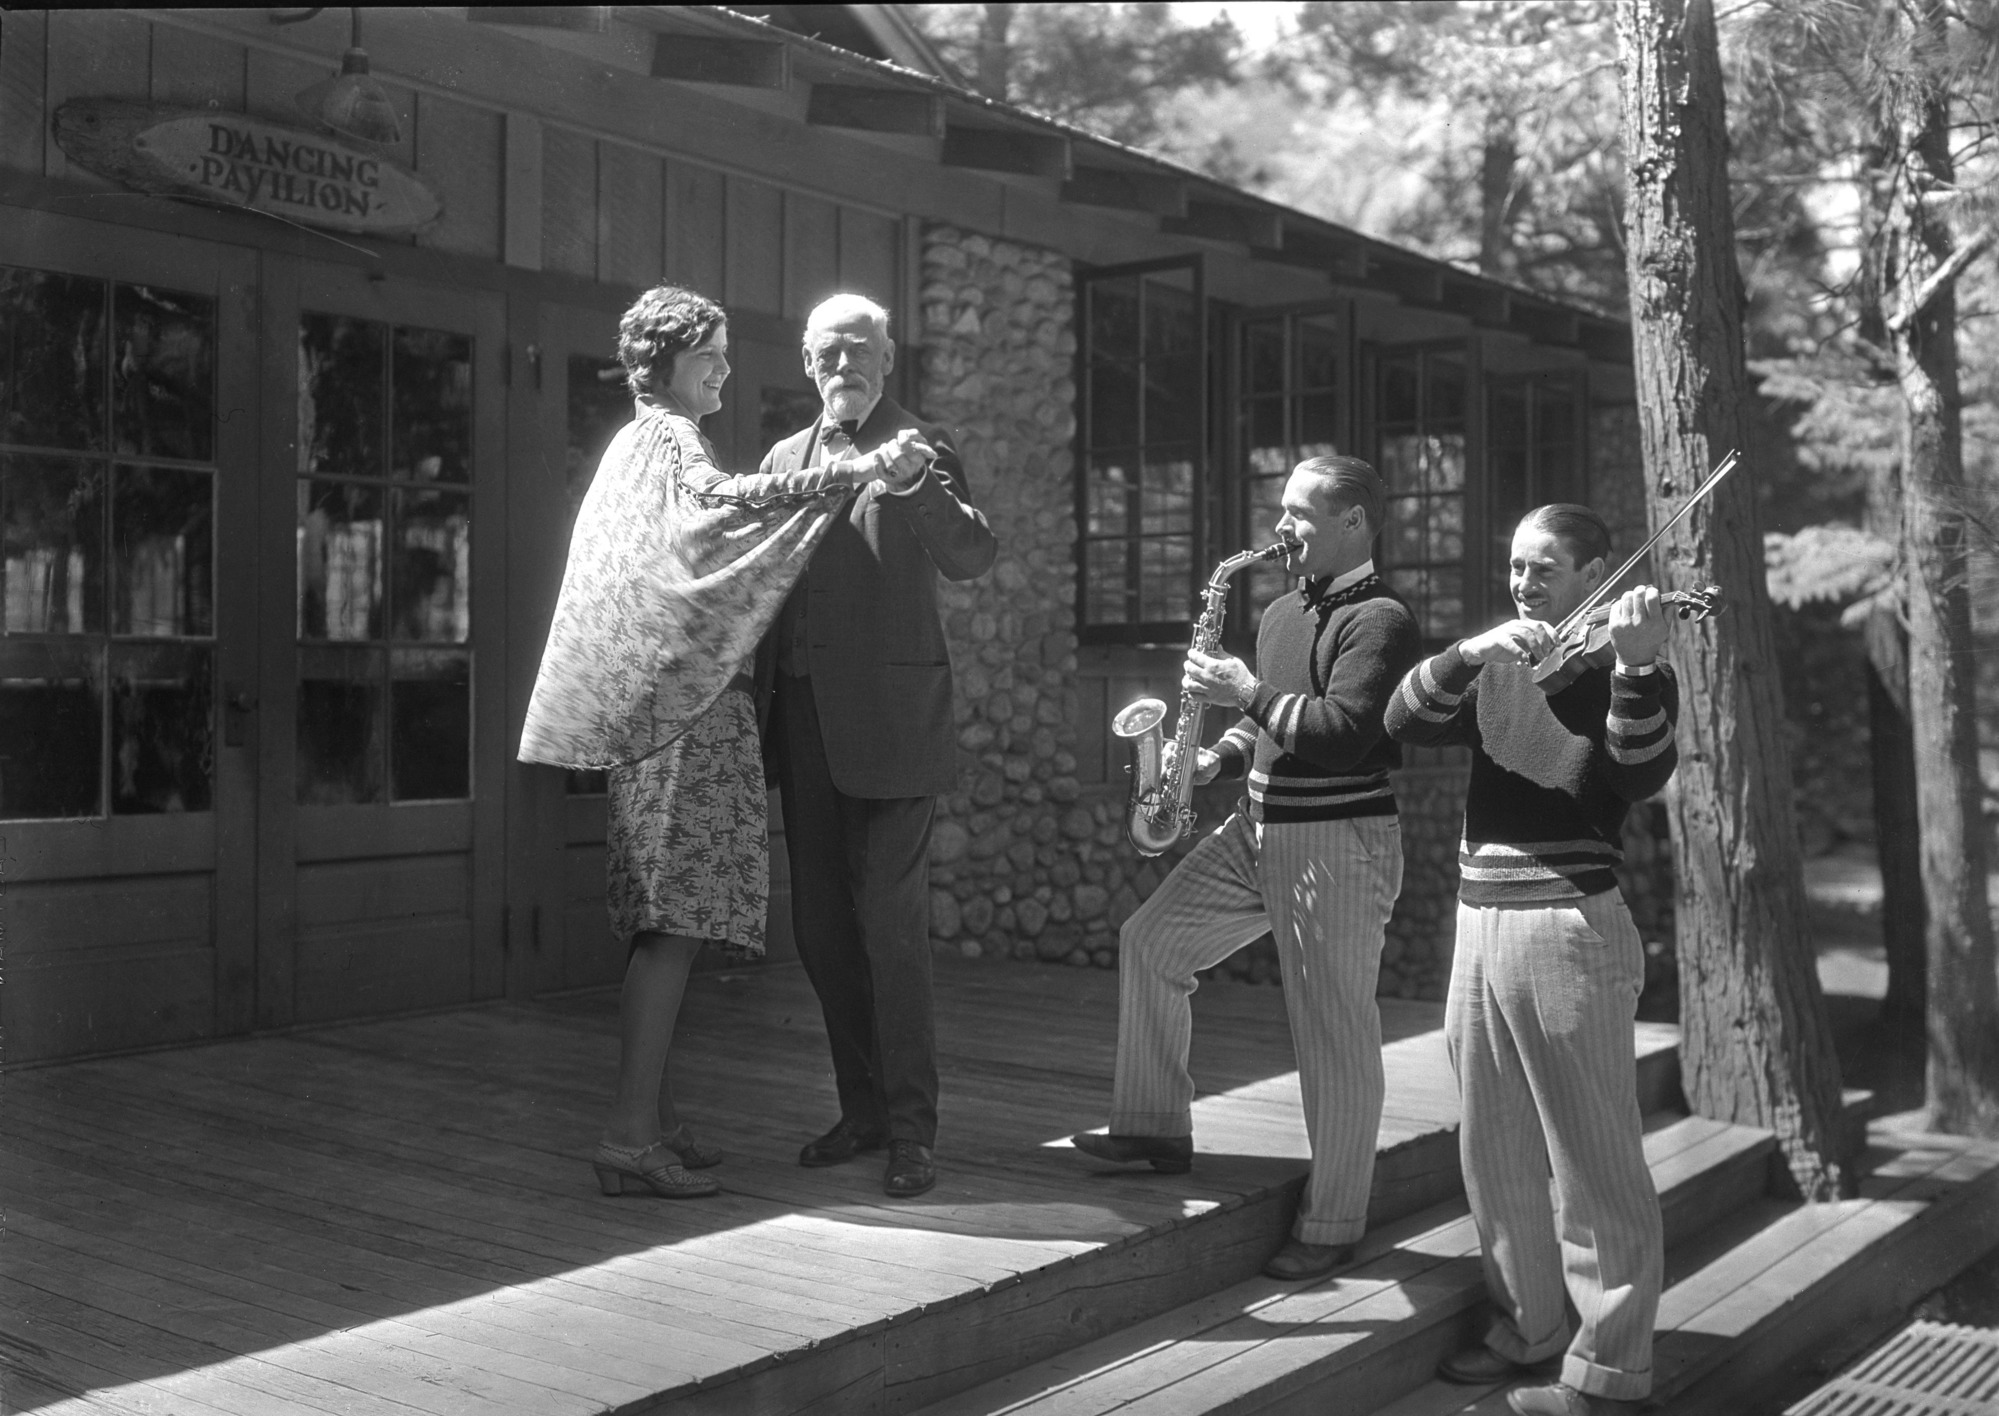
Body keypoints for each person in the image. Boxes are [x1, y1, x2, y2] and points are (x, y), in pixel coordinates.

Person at [519, 284, 931, 1200]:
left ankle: (655, 1118)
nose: (725, 369)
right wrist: (845, 473)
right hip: (689, 717)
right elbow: (724, 498)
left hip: (657, 714)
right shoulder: (670, 437)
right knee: (674, 929)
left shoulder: (631, 444)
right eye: (713, 353)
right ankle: (630, 1137)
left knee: (665, 924)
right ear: (669, 362)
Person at [1069, 455, 1421, 1282]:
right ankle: (1155, 1127)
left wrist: (1244, 691)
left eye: (1300, 512)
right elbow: (1266, 730)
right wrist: (1208, 759)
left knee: (1332, 1033)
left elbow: (1340, 733)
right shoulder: (1279, 612)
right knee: (1151, 942)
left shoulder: (1382, 620)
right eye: (1281, 509)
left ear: (1354, 523)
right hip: (1256, 827)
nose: (1280, 527)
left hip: (1336, 842)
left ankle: (1333, 1220)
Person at [1384, 504, 1677, 1416]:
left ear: (1593, 576)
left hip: (1566, 928)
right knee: (1495, 1150)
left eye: (1543, 569)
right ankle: (1529, 1327)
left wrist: (1634, 662)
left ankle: (1610, 1375)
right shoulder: (1507, 668)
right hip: (1481, 923)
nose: (1522, 584)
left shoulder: (1628, 671)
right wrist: (1472, 649)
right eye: (1514, 567)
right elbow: (1403, 716)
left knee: (1593, 1165)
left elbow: (1630, 775)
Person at [756, 293, 997, 1200]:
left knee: (891, 936)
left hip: (894, 730)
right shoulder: (785, 459)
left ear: (888, 360)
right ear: (806, 364)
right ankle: (858, 1109)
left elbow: (972, 556)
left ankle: (910, 1130)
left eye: (859, 349)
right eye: (826, 352)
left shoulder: (921, 448)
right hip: (805, 729)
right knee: (822, 934)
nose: (843, 365)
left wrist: (910, 483)